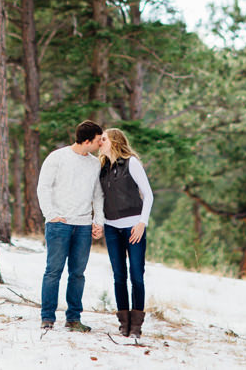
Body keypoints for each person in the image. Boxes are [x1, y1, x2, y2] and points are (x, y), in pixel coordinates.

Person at [36, 120, 106, 332]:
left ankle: (73, 319)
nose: (100, 144)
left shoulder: (95, 164)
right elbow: (43, 187)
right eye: (97, 140)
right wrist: (51, 215)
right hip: (59, 225)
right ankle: (47, 318)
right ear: (87, 141)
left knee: (78, 274)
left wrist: (98, 221)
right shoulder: (58, 158)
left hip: (83, 226)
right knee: (53, 271)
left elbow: (98, 195)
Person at [98, 127, 153, 339]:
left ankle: (137, 324)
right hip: (112, 227)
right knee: (119, 276)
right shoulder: (102, 167)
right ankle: (124, 322)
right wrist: (100, 222)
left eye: (103, 139)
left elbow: (148, 195)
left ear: (114, 141)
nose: (100, 142)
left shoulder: (132, 163)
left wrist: (142, 223)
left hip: (133, 227)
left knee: (137, 276)